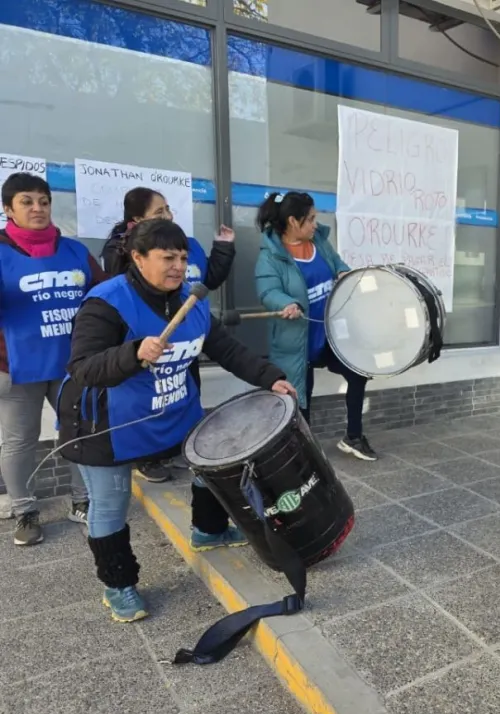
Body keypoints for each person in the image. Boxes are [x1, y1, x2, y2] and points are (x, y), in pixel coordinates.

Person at [57, 218, 294, 622]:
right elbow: (83, 368)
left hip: (173, 411)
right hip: (107, 425)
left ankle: (209, 530)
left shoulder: (191, 300)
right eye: (167, 258)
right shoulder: (106, 303)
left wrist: (270, 377)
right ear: (137, 258)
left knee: (210, 465)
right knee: (111, 504)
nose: (178, 267)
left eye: (183, 258)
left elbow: (227, 350)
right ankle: (118, 584)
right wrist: (132, 353)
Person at [101, 187, 236, 484]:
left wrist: (223, 248)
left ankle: (178, 446)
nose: (169, 215)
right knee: (149, 395)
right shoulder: (119, 259)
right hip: (148, 344)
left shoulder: (188, 247)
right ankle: (147, 457)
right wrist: (136, 349)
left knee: (184, 393)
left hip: (185, 335)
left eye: (182, 258)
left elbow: (209, 280)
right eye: (159, 211)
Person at [0, 172, 106, 545]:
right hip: (14, 367)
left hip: (71, 364)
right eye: (27, 202)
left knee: (79, 432)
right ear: (8, 209)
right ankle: (24, 511)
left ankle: (82, 501)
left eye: (43, 201)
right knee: (19, 441)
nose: (38, 208)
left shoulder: (75, 251)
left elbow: (103, 298)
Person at [254, 191, 376, 461]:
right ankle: (305, 452)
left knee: (358, 373)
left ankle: (353, 437)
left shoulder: (318, 241)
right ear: (292, 221)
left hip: (328, 335)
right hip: (297, 341)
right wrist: (285, 302)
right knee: (301, 398)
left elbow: (337, 262)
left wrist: (343, 272)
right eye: (309, 219)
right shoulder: (270, 256)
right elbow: (268, 291)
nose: (314, 224)